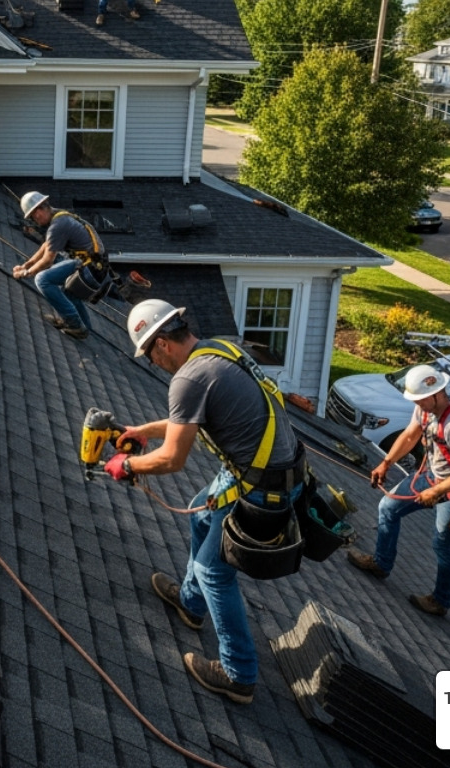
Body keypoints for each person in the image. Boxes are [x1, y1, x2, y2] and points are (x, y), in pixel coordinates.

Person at [106, 300, 306, 705]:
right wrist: (141, 430)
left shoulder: (189, 378)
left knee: (213, 570)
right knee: (200, 516)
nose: (153, 362)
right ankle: (190, 603)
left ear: (161, 343)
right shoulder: (217, 351)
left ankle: (239, 674)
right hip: (265, 470)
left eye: (148, 354)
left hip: (262, 487)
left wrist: (126, 465)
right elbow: (188, 422)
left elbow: (172, 459)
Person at [345, 364, 450, 616]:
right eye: (416, 400)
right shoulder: (424, 410)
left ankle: (440, 601)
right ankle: (381, 563)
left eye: (421, 400)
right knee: (388, 508)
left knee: (443, 543)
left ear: (436, 393)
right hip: (433, 476)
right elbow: (410, 436)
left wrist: (436, 492)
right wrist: (386, 463)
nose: (418, 404)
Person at [12, 191, 107, 340]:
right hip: (95, 268)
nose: (35, 221)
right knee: (70, 294)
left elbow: (48, 260)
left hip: (89, 270)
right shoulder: (58, 215)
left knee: (42, 279)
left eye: (33, 218)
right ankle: (84, 327)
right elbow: (46, 246)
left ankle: (74, 324)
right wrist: (26, 265)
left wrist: (25, 274)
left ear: (38, 212)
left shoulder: (58, 225)